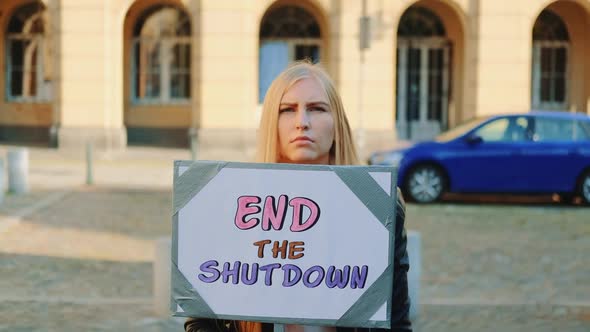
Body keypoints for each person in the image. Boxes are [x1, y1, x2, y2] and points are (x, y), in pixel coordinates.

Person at [185, 61, 412, 332]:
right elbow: (200, 321)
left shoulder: (379, 207)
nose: (302, 123)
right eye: (287, 110)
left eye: (316, 109)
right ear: (272, 124)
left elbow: (396, 321)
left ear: (337, 124)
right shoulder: (231, 203)